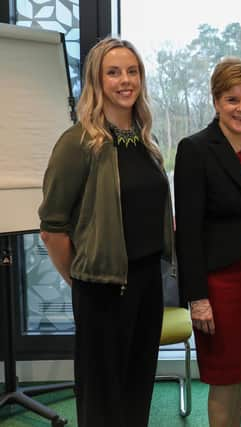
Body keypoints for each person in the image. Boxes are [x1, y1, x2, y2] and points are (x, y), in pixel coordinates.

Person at [38, 37, 173, 426]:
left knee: (137, 390)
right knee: (103, 399)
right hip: (102, 290)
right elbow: (52, 229)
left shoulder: (147, 141)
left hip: (148, 284)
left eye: (132, 71)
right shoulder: (77, 143)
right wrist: (82, 278)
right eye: (113, 72)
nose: (125, 80)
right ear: (97, 81)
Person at [174, 58, 241, 426]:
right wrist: (197, 298)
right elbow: (189, 231)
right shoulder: (195, 149)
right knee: (223, 379)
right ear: (216, 101)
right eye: (232, 100)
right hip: (220, 286)